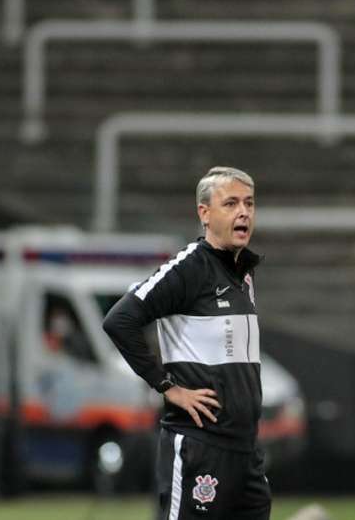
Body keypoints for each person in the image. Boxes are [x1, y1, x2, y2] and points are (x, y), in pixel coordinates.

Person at [103, 166, 270, 520]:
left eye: (249, 203)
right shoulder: (189, 267)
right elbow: (119, 320)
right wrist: (167, 387)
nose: (244, 212)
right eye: (231, 204)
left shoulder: (243, 272)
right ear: (205, 214)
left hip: (246, 452)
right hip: (200, 447)